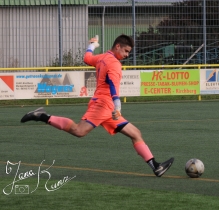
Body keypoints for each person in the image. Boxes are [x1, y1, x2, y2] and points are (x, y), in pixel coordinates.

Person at [21, 34, 174, 177]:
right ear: (118, 46)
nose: (127, 55)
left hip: (106, 106)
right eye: (126, 51)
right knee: (79, 131)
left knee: (135, 133)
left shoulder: (102, 58)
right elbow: (113, 86)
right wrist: (117, 105)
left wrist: (92, 45)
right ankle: (42, 116)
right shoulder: (114, 63)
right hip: (103, 105)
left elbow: (87, 58)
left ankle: (155, 166)